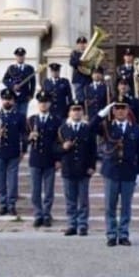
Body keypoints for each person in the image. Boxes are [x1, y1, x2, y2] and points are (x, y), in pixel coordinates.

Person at [90, 98, 139, 247]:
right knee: (110, 205)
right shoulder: (107, 126)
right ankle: (111, 234)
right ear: (113, 111)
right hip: (111, 172)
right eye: (117, 108)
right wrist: (103, 112)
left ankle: (123, 234)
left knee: (126, 206)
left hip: (129, 172)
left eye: (123, 108)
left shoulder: (136, 129)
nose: (120, 111)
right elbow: (91, 126)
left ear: (128, 111)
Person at [57, 100, 97, 236]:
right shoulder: (63, 129)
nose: (76, 112)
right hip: (68, 168)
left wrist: (92, 166)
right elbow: (55, 147)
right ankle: (71, 224)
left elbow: (93, 149)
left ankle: (83, 224)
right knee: (70, 199)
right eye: (74, 110)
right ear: (69, 112)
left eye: (79, 109)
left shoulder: (87, 129)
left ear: (83, 112)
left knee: (83, 200)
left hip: (83, 168)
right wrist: (63, 147)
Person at [27, 91, 62, 228]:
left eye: (46, 102)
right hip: (35, 158)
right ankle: (38, 214)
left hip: (50, 158)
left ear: (50, 104)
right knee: (35, 190)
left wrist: (58, 159)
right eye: (41, 102)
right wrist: (29, 137)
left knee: (48, 190)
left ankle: (47, 214)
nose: (43, 104)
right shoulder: (31, 120)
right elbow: (23, 138)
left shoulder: (56, 120)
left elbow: (58, 141)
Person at [0, 88, 26, 217]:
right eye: (5, 99)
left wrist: (23, 150)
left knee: (12, 180)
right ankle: (2, 204)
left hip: (13, 151)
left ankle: (11, 204)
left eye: (10, 99)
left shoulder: (19, 116)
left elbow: (24, 134)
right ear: (2, 100)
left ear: (13, 101)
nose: (7, 101)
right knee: (1, 179)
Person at [3, 47, 36, 116]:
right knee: (12, 116)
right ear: (16, 57)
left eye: (22, 55)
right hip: (13, 97)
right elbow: (4, 80)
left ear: (24, 57)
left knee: (23, 116)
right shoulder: (11, 68)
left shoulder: (30, 68)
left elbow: (33, 83)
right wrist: (12, 86)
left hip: (24, 96)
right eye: (18, 56)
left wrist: (31, 95)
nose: (20, 57)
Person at [69, 36, 92, 102]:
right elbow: (72, 63)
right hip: (78, 79)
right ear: (77, 45)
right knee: (79, 98)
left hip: (88, 78)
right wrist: (81, 61)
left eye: (84, 43)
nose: (82, 45)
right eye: (80, 43)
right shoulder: (74, 53)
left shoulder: (89, 54)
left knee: (88, 98)